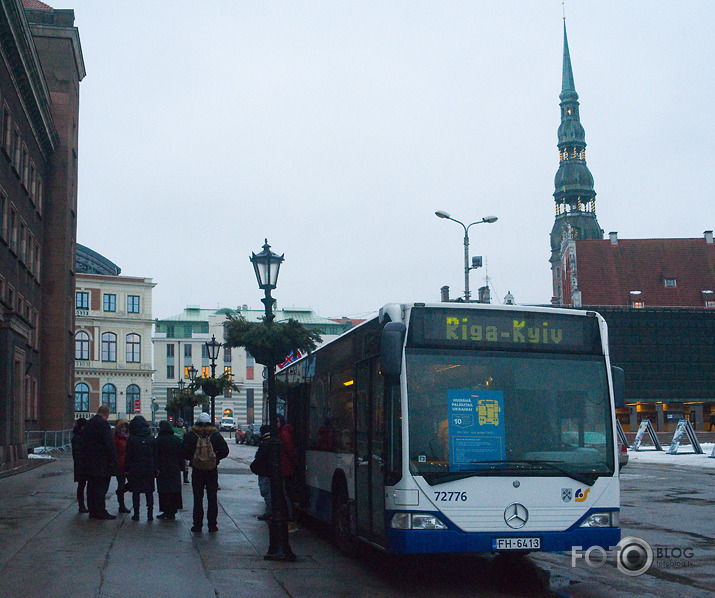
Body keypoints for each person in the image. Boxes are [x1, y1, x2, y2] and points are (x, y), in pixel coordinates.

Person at [181, 412, 228, 533]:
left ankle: (197, 525)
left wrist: (193, 458)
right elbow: (225, 450)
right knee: (212, 498)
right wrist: (215, 458)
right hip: (211, 470)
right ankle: (212, 525)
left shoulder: (192, 435)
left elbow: (183, 451)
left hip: (197, 470)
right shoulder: (215, 435)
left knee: (198, 498)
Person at [81, 405, 119, 520]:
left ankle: (92, 510)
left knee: (91, 487)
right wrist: (113, 461)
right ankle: (100, 511)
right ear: (107, 414)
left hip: (89, 462)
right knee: (101, 488)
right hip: (102, 463)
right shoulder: (103, 424)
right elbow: (109, 444)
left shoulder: (89, 423)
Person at [124, 415, 157, 521]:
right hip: (148, 467)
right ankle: (150, 514)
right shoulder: (151, 438)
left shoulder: (132, 439)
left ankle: (136, 514)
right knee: (149, 492)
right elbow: (155, 454)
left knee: (136, 492)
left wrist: (126, 469)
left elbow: (128, 455)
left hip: (135, 468)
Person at [156, 420, 183, 520]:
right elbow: (180, 454)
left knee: (164, 490)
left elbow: (156, 455)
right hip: (174, 467)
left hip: (162, 468)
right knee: (174, 490)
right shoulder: (176, 439)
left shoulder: (158, 440)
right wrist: (181, 467)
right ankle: (173, 510)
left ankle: (165, 510)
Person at [278, 414, 299, 531]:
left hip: (285, 469)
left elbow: (290, 451)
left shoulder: (283, 434)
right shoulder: (281, 433)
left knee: (285, 495)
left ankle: (290, 519)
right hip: (285, 468)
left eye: (277, 421)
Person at [249, 424, 271, 520]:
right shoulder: (270, 441)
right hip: (267, 470)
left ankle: (270, 511)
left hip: (264, 471)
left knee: (266, 491)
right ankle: (270, 511)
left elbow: (260, 457)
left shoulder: (265, 443)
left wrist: (254, 467)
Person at [113, 419, 131, 514]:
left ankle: (120, 492)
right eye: (122, 427)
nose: (123, 429)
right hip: (119, 464)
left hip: (128, 464)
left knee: (132, 482)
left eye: (125, 427)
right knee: (121, 483)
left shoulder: (128, 437)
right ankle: (122, 505)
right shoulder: (116, 438)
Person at [71, 418, 88, 513]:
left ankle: (82, 505)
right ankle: (81, 505)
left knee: (82, 485)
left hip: (82, 465)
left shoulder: (80, 437)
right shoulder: (78, 438)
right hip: (81, 465)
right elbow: (77, 454)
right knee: (81, 485)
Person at [173, 418, 189, 483]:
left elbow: (187, 439)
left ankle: (185, 478)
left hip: (183, 449)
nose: (180, 423)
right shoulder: (175, 429)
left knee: (185, 465)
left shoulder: (184, 429)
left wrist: (185, 433)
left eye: (181, 422)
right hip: (177, 448)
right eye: (179, 422)